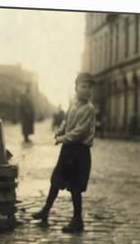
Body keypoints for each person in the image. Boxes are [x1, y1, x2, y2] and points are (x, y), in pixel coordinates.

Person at [32, 73, 95, 233]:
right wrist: (60, 131)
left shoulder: (89, 109)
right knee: (56, 180)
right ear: (76, 88)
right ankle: (46, 210)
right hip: (68, 150)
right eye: (83, 86)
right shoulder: (73, 105)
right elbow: (66, 122)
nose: (87, 90)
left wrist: (63, 138)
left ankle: (77, 220)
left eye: (89, 88)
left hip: (80, 151)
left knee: (75, 187)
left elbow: (80, 131)